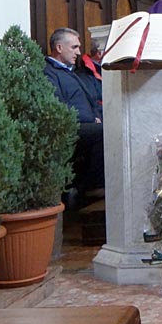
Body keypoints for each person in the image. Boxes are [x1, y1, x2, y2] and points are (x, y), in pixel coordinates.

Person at [43, 27, 104, 199]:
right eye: (74, 47)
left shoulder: (71, 72)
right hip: (69, 127)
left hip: (87, 123)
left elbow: (92, 100)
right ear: (59, 48)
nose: (78, 52)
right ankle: (94, 187)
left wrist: (98, 115)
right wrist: (91, 119)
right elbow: (58, 107)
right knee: (105, 132)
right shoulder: (48, 72)